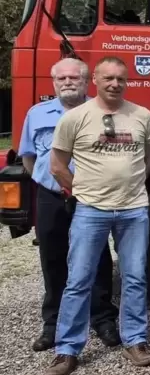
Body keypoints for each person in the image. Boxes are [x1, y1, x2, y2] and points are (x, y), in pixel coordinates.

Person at [45, 57, 150, 375]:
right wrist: (82, 192)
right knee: (79, 280)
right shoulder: (75, 118)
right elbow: (57, 166)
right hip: (90, 211)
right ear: (94, 78)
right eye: (108, 78)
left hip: (134, 210)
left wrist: (128, 187)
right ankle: (67, 350)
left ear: (127, 82)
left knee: (135, 277)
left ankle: (135, 341)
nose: (115, 84)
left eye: (121, 79)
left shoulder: (142, 116)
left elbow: (148, 161)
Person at [20, 58, 119, 353]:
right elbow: (28, 157)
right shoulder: (37, 114)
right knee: (52, 258)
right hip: (51, 197)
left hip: (91, 197)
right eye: (61, 78)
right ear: (54, 83)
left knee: (99, 258)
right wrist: (49, 183)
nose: (67, 82)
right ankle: (53, 323)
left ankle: (102, 318)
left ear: (86, 81)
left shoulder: (101, 113)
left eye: (73, 78)